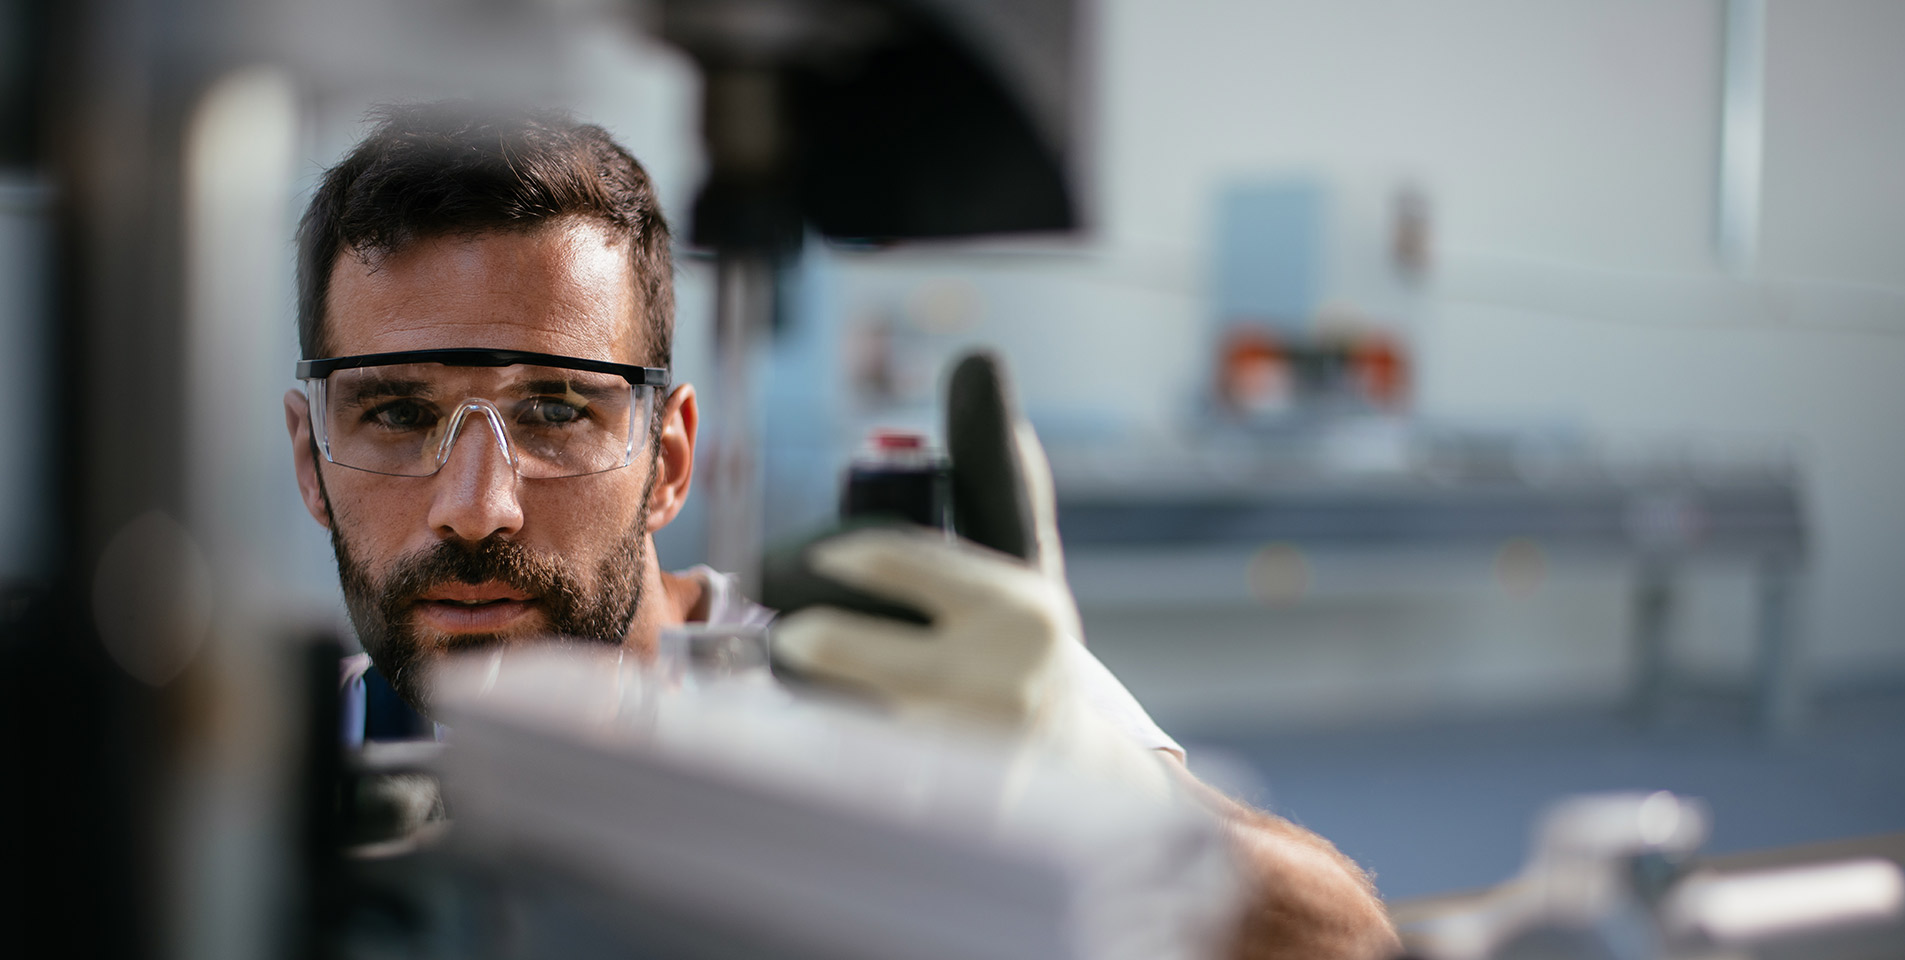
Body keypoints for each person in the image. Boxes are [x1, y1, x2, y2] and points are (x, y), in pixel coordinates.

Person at [284, 102, 1400, 960]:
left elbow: (1347, 945)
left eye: (556, 411)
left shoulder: (878, 691)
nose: (478, 505)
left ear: (670, 460)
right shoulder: (260, 787)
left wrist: (1068, 781)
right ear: (310, 459)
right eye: (395, 414)